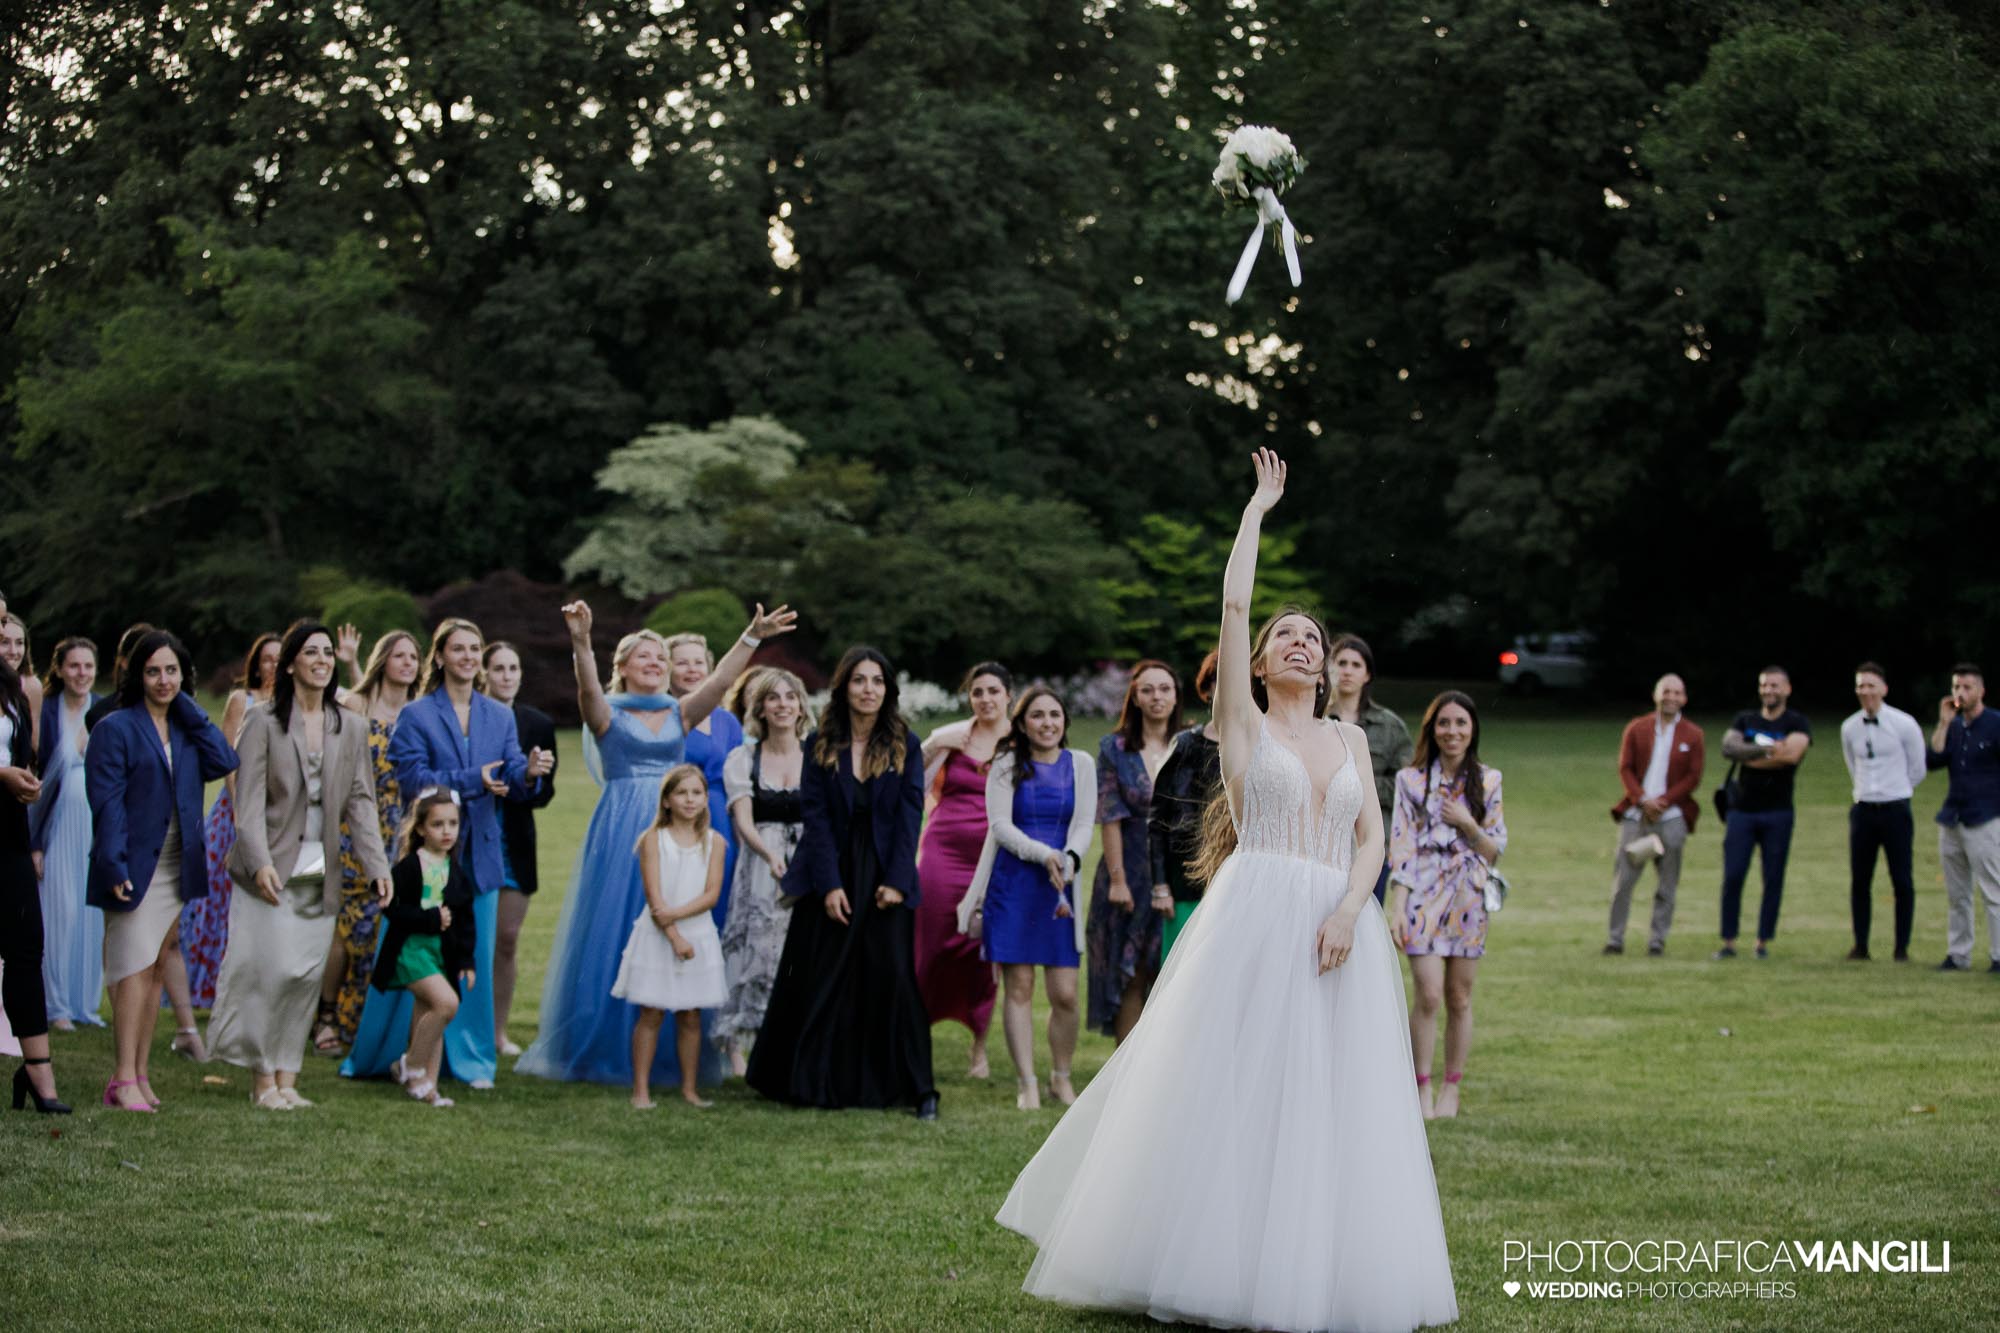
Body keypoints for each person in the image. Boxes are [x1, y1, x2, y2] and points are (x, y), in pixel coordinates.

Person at [999, 449, 1456, 1331]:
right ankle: (1212, 1255)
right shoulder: (1240, 723)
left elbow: (1375, 839)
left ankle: (1322, 1266)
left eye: (1312, 640)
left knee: (1335, 1097)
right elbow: (1236, 603)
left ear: (1327, 670)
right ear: (1258, 659)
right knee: (1236, 1085)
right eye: (1287, 635)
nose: (1299, 643)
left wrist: (1351, 910)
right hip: (1256, 913)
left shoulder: (1353, 742)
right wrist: (1255, 510)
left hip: (1340, 924)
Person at [517, 599, 793, 1086]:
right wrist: (581, 639)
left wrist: (752, 636)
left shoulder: (677, 713)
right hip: (623, 828)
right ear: (622, 667)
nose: (655, 663)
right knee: (617, 934)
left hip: (675, 831)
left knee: (677, 926)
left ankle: (674, 1055)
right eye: (644, 656)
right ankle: (607, 1048)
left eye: (659, 658)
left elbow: (721, 682)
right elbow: (585, 686)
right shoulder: (605, 712)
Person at [342, 618, 550, 1089]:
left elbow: (512, 771)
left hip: (481, 856)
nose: (468, 657)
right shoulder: (416, 715)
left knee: (471, 952)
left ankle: (472, 1059)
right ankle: (395, 1053)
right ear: (439, 657)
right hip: (425, 859)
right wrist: (473, 779)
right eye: (458, 649)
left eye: (475, 649)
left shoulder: (499, 714)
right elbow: (412, 780)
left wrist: (529, 772)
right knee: (416, 953)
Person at [746, 646, 938, 1120]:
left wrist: (895, 880)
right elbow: (816, 820)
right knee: (822, 976)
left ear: (887, 690)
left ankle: (919, 1088)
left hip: (885, 874)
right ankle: (810, 1080)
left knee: (893, 976)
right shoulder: (820, 745)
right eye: (859, 680)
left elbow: (911, 816)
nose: (868, 689)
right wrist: (829, 885)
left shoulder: (905, 745)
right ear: (844, 687)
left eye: (877, 681)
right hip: (828, 870)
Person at [208, 622, 390, 1110]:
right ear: (290, 663)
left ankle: (288, 1080)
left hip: (319, 860)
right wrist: (260, 862)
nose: (323, 660)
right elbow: (244, 805)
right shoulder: (263, 721)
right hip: (268, 861)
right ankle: (262, 1080)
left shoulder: (350, 724)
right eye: (311, 652)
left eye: (328, 652)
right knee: (269, 968)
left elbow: (360, 800)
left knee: (304, 973)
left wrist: (378, 866)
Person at [86, 630, 238, 1112]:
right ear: (137, 675)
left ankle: (141, 1074)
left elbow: (224, 759)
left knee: (154, 971)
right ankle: (121, 1080)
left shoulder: (187, 727)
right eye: (153, 671)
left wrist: (190, 708)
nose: (163, 679)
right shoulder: (116, 727)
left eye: (172, 670)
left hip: (177, 864)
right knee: (131, 971)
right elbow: (106, 804)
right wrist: (112, 863)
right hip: (133, 865)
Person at [955, 687, 1096, 1110]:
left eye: (1055, 714)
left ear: (1065, 722)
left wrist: (1069, 856)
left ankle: (1061, 1076)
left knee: (1066, 992)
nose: (1048, 722)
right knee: (1018, 985)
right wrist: (1043, 853)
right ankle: (1027, 1082)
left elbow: (1085, 822)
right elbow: (999, 825)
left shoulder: (1082, 764)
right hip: (1014, 884)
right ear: (1022, 723)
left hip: (1059, 889)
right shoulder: (1005, 764)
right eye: (1037, 715)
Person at [1389, 690, 1507, 1119]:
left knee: (1459, 995)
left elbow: (1495, 849)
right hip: (1421, 894)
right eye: (1444, 723)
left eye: (1461, 723)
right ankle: (1421, 1086)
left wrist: (1467, 822)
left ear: (1472, 729)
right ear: (1431, 729)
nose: (1452, 731)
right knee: (1429, 992)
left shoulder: (1488, 780)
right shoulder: (1411, 780)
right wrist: (1397, 906)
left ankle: (1451, 1088)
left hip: (1467, 896)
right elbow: (1400, 847)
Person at [314, 629, 419, 1052]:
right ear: (383, 661)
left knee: (377, 928)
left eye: (414, 657)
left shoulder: (418, 712)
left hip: (403, 830)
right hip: (354, 827)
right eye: (399, 656)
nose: (408, 663)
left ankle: (353, 1022)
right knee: (345, 927)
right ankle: (324, 1015)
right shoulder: (353, 705)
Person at [913, 662, 1010, 1080]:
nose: (985, 699)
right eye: (977, 692)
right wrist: (933, 741)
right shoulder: (954, 737)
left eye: (993, 691)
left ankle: (979, 1046)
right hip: (941, 851)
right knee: (928, 945)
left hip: (994, 857)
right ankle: (915, 1034)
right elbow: (909, 784)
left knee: (983, 954)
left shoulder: (1017, 741)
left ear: (1008, 694)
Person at [613, 764, 727, 1109]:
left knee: (691, 1015)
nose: (689, 800)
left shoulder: (714, 842)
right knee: (651, 1012)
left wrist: (675, 917)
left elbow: (711, 895)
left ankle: (689, 1089)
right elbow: (655, 896)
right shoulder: (652, 840)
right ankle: (641, 1090)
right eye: (681, 793)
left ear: (706, 799)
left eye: (696, 793)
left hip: (697, 936)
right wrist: (673, 933)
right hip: (658, 935)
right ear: (666, 801)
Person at [713, 667, 810, 1076]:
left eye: (790, 697)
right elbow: (744, 821)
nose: (783, 705)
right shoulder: (743, 759)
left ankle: (791, 1047)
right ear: (761, 708)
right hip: (760, 863)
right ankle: (737, 1048)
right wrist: (769, 856)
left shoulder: (817, 756)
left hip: (806, 861)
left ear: (801, 706)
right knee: (754, 950)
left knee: (797, 954)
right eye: (774, 698)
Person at [181, 631, 278, 1019]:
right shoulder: (243, 700)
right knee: (220, 903)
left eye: (279, 659)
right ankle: (210, 989)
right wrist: (241, 814)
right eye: (266, 658)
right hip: (236, 814)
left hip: (276, 817)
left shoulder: (291, 705)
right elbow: (228, 761)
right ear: (256, 663)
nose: (272, 665)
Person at [1087, 659, 1180, 1043]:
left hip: (1176, 875)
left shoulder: (1189, 743)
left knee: (1170, 975)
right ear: (1135, 698)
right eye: (1147, 690)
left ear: (1176, 696)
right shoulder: (1115, 748)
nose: (1156, 697)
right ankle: (1124, 1073)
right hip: (1128, 870)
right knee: (1132, 974)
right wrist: (1119, 880)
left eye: (1164, 689)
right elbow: (1109, 815)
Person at [373, 787, 477, 1109]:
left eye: (453, 823)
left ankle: (426, 1086)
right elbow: (390, 908)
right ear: (420, 828)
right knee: (446, 1004)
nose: (447, 831)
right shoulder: (408, 868)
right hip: (410, 950)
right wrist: (429, 919)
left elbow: (464, 922)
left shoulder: (457, 872)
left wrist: (466, 960)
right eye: (437, 824)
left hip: (439, 952)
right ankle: (409, 1065)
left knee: (429, 1014)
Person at [480, 640, 558, 1057]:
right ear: (484, 674)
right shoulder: (470, 718)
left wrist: (528, 779)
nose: (507, 676)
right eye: (499, 668)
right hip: (470, 835)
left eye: (513, 668)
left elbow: (546, 793)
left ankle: (498, 1030)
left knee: (507, 938)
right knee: (469, 937)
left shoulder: (538, 724)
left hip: (514, 840)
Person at [3, 639, 70, 1113]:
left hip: (7, 834)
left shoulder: (13, 689)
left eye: (7, 624)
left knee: (27, 945)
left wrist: (22, 777)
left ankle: (38, 1072)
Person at [30, 638, 105, 1029]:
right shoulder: (48, 712)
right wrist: (36, 842)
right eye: (74, 666)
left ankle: (84, 1004)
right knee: (60, 913)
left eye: (88, 666)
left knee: (91, 915)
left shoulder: (104, 710)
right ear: (59, 669)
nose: (82, 674)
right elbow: (38, 778)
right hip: (57, 823)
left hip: (96, 827)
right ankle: (55, 1004)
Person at [1714, 667, 1812, 960]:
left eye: (1775, 685)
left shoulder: (1797, 721)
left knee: (1773, 877)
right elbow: (1728, 747)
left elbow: (1793, 755)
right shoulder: (1746, 719)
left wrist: (1752, 752)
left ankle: (1762, 942)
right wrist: (1769, 752)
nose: (1769, 690)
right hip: (1741, 812)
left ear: (1787, 689)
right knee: (1733, 875)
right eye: (1765, 685)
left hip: (1778, 812)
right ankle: (1729, 941)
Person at [1604, 673, 1705, 956]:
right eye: (1666, 691)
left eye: (1677, 692)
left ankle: (1657, 940)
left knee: (1667, 884)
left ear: (1684, 698)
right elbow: (1625, 768)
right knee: (1623, 881)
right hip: (1637, 817)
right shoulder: (1637, 728)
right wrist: (1642, 799)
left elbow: (1693, 777)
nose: (1671, 697)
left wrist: (1663, 801)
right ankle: (1615, 939)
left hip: (1671, 818)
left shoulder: (1693, 735)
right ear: (1656, 695)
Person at [1840, 662, 1927, 961]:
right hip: (1863, 809)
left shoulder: (1904, 724)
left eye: (1871, 685)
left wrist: (1895, 790)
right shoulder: (1849, 727)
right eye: (1860, 686)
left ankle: (1901, 946)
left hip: (1895, 808)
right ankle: (1860, 944)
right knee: (1860, 879)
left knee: (1901, 879)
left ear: (1883, 689)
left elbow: (1917, 768)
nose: (1865, 691)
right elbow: (1852, 765)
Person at [665, 632, 745, 928]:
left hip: (722, 819)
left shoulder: (728, 721)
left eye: (699, 662)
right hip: (679, 819)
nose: (692, 669)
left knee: (721, 902)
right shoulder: (664, 716)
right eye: (682, 663)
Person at [1329, 633, 1414, 903]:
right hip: (1326, 842)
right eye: (1341, 663)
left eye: (1356, 665)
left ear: (1367, 675)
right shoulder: (1314, 720)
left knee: (1365, 920)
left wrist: (1357, 786)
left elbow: (1408, 784)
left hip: (1371, 842)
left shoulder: (1390, 726)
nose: (1347, 671)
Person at [1149, 649, 1222, 962]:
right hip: (1184, 885)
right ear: (1207, 690)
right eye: (1223, 682)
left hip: (1238, 888)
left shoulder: (1266, 746)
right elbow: (1157, 819)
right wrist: (1160, 884)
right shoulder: (1186, 744)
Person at [1928, 663, 2000, 972]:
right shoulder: (1954, 726)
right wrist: (1944, 723)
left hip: (1984, 818)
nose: (1960, 693)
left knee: (1993, 890)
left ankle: (1998, 955)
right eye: (1956, 687)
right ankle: (1958, 954)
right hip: (1953, 817)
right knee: (1957, 893)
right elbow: (1932, 760)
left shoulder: (1996, 724)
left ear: (1981, 691)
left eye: (1967, 687)